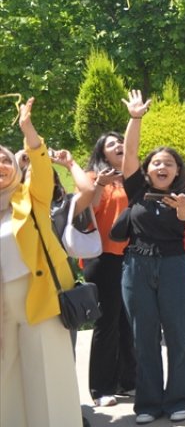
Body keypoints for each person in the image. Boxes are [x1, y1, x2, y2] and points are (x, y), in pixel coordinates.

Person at [113, 90, 185, 423]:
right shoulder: (136, 188)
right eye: (156, 163)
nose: (162, 166)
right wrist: (135, 118)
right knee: (143, 336)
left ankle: (181, 397)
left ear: (177, 169)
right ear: (147, 170)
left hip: (173, 267)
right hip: (135, 266)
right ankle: (148, 403)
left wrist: (183, 208)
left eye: (169, 163)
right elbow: (131, 152)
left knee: (178, 333)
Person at [0, 97, 84, 427]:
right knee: (7, 380)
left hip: (39, 297)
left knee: (48, 376)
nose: (0, 168)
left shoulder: (30, 195)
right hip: (3, 308)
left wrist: (28, 129)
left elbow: (41, 162)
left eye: (4, 160)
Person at [82, 130, 138, 407]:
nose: (118, 145)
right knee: (107, 323)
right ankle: (100, 388)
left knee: (127, 323)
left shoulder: (131, 176)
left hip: (131, 257)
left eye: (120, 141)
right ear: (102, 152)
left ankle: (128, 381)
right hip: (103, 258)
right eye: (111, 144)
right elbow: (85, 212)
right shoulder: (93, 177)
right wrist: (100, 186)